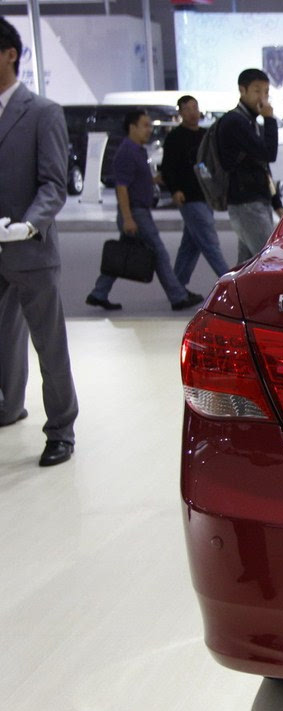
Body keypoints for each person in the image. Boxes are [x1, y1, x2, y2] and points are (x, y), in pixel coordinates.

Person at [0, 16, 79, 467]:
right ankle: (9, 405)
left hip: (30, 249)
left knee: (49, 345)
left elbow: (54, 183)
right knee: (3, 340)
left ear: (10, 54)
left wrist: (29, 224)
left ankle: (61, 431)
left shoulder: (42, 112)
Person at [85, 110, 203, 312]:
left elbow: (135, 180)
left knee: (123, 252)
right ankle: (178, 297)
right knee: (159, 253)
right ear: (132, 127)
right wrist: (128, 218)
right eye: (145, 125)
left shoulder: (137, 150)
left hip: (138, 211)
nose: (149, 130)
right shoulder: (127, 152)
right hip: (135, 213)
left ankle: (99, 293)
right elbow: (122, 188)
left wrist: (154, 180)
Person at [162, 94, 230, 285]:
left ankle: (177, 287)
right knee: (210, 242)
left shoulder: (206, 136)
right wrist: (174, 190)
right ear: (181, 113)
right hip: (189, 197)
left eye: (195, 108)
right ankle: (230, 284)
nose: (193, 113)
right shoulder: (174, 138)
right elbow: (168, 168)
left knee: (190, 245)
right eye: (187, 109)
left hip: (206, 196)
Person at [219, 68, 283, 263]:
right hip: (246, 203)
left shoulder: (249, 122)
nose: (262, 98)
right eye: (257, 91)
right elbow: (269, 154)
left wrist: (276, 203)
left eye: (266, 92)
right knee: (269, 262)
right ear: (242, 90)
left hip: (255, 201)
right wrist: (269, 119)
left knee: (247, 265)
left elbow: (263, 166)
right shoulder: (235, 122)